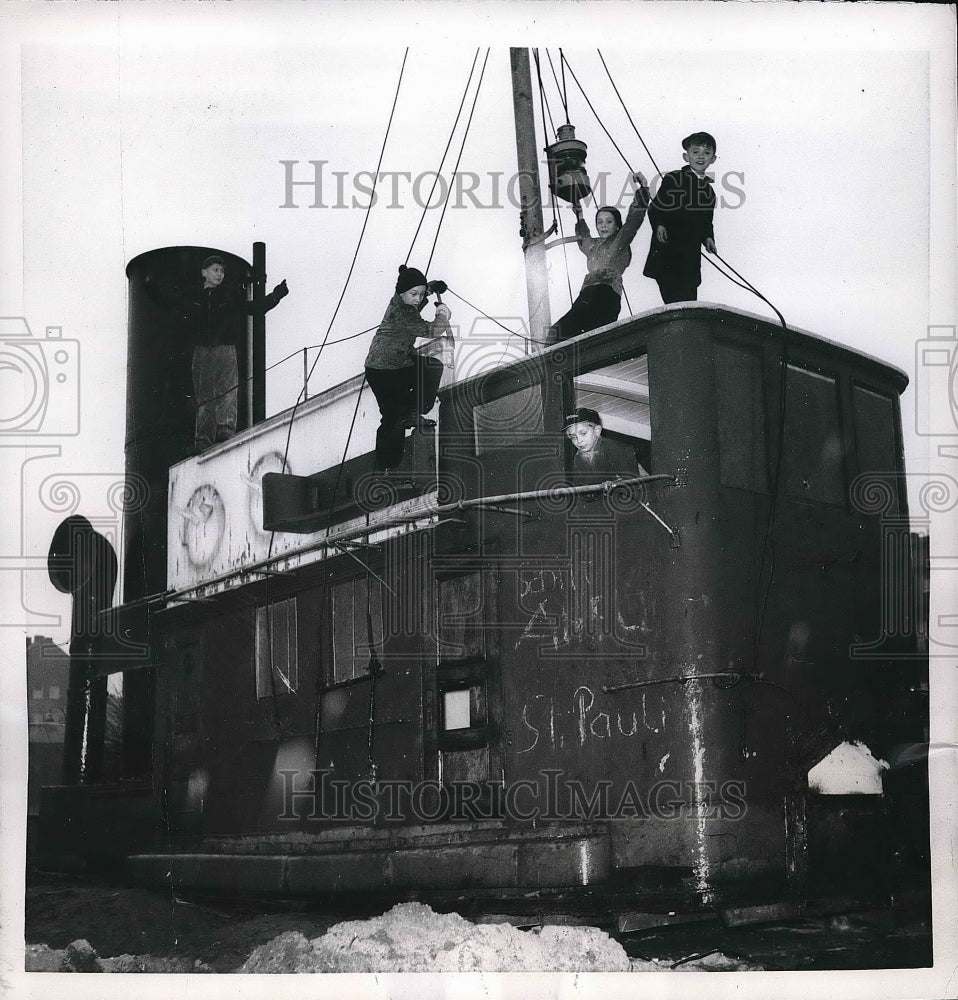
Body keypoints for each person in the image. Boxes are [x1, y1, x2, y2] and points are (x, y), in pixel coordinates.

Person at [146, 255, 289, 452]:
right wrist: (151, 285)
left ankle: (225, 431)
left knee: (227, 391)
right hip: (202, 351)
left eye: (222, 271)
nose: (219, 275)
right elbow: (169, 300)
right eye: (215, 270)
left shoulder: (229, 295)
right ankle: (203, 440)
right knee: (204, 396)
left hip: (225, 349)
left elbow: (254, 308)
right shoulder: (192, 295)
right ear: (203, 272)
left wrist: (275, 296)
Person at [364, 264, 452, 473]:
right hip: (383, 372)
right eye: (414, 294)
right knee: (392, 419)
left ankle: (412, 411)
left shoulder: (402, 300)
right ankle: (385, 468)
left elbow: (416, 293)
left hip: (398, 364)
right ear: (401, 293)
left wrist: (430, 287)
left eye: (421, 294)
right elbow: (431, 330)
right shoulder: (403, 313)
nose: (417, 298)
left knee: (431, 368)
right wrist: (443, 315)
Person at [553, 173, 651, 342]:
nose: (603, 226)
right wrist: (580, 216)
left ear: (617, 225)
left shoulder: (619, 242)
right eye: (600, 222)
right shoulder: (594, 247)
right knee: (558, 332)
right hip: (587, 295)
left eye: (608, 222)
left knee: (597, 335)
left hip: (606, 295)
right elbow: (584, 238)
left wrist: (643, 189)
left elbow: (633, 221)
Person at [643, 132, 718, 304]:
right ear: (686, 156)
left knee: (689, 300)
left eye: (706, 153)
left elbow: (707, 221)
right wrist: (659, 225)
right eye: (695, 152)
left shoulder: (709, 191)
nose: (701, 156)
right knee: (674, 300)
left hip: (690, 258)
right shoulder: (674, 178)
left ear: (713, 159)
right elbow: (656, 207)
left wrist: (708, 238)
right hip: (668, 252)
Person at [564, 407, 648, 486]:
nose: (579, 441)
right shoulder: (579, 457)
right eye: (573, 437)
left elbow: (633, 484)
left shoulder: (615, 449)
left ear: (597, 431)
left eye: (583, 433)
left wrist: (613, 485)